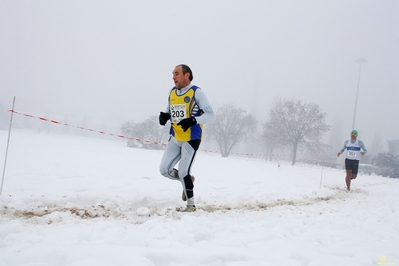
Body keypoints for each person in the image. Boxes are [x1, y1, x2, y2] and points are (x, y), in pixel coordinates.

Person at [159, 64, 215, 212]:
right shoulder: (172, 92)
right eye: (172, 74)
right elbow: (170, 110)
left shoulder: (197, 93)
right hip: (176, 137)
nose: (173, 77)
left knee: (183, 171)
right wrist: (165, 116)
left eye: (177, 73)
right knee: (164, 170)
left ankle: (191, 205)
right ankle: (187, 181)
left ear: (187, 75)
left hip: (191, 138)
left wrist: (193, 120)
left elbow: (211, 116)